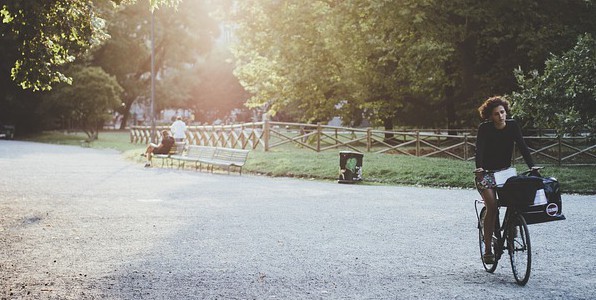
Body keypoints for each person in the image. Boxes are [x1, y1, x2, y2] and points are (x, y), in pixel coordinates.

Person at [474, 96, 537, 265]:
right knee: (492, 207)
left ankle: (512, 224)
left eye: (502, 112)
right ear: (490, 116)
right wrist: (479, 167)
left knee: (515, 200)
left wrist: (532, 167)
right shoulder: (485, 128)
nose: (500, 116)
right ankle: (488, 249)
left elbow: (523, 146)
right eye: (496, 114)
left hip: (505, 173)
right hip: (486, 174)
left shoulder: (513, 126)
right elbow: (479, 150)